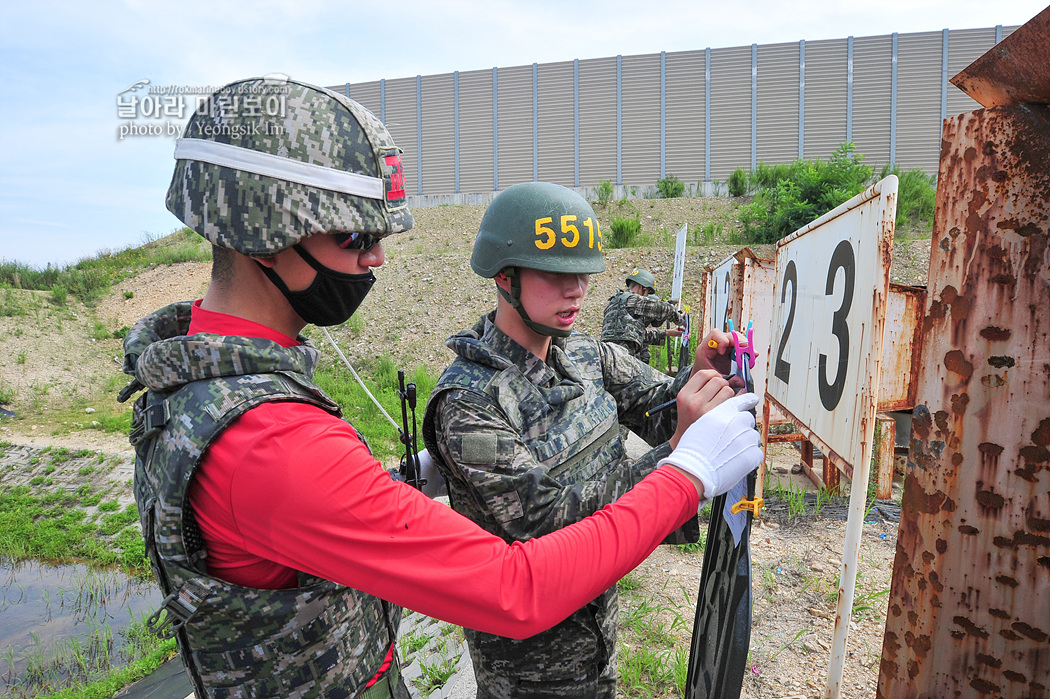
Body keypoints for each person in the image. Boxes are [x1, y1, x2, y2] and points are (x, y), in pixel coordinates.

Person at [120, 77, 763, 699]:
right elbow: (517, 587)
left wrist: (381, 494)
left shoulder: (200, 382)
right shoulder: (271, 441)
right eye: (354, 236)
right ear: (262, 230)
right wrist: (687, 472)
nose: (375, 259)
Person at [421, 182, 746, 699]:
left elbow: (657, 404)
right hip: (529, 667)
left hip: (597, 633)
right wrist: (679, 456)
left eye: (583, 275)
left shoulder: (585, 355)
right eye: (556, 274)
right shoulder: (468, 402)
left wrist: (699, 375)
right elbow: (549, 523)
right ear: (506, 278)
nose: (576, 290)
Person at [601, 268, 686, 366]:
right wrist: (681, 320)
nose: (646, 297)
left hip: (607, 361)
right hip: (622, 363)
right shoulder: (633, 300)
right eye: (647, 293)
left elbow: (638, 334)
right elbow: (665, 309)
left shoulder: (614, 303)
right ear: (642, 288)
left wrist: (669, 332)